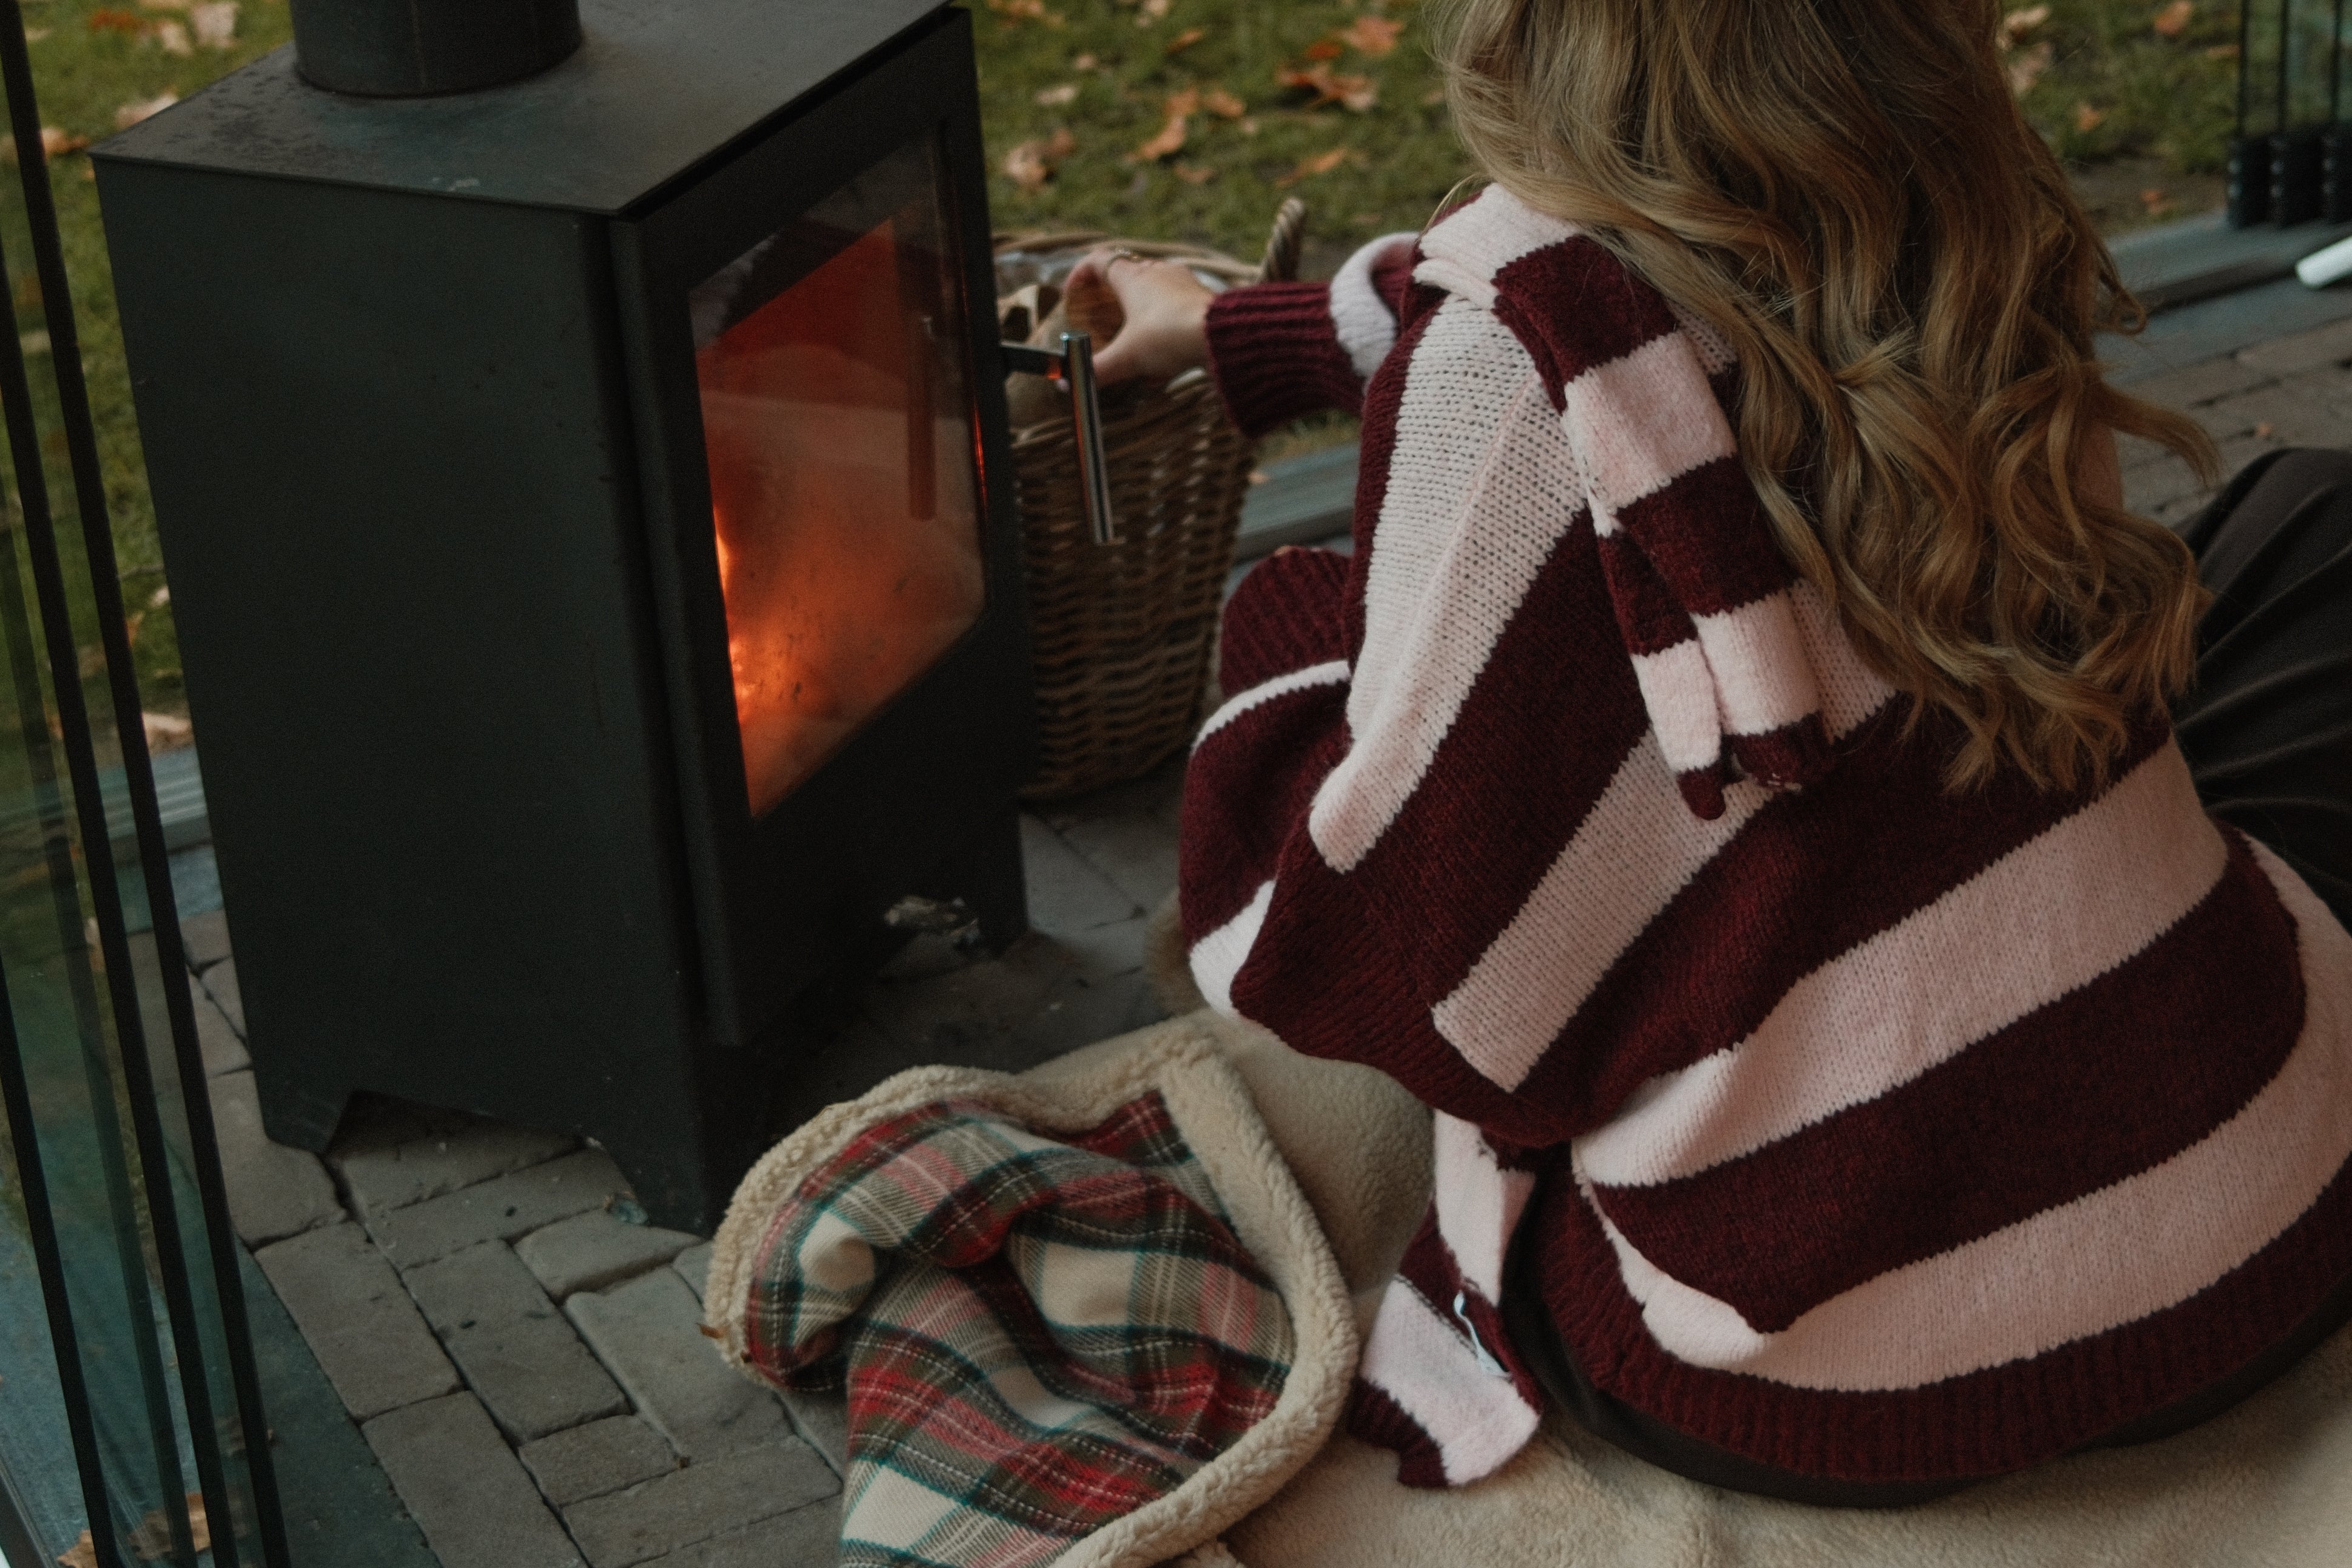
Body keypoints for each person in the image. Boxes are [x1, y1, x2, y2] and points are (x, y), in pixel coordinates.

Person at [1063, 0, 2352, 1509]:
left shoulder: (1499, 366)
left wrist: (1291, 629)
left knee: (1555, 886)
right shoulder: (1951, 180)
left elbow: (1401, 971)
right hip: (2274, 1222)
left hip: (1838, 1375)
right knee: (2315, 524)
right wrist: (1252, 338)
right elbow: (1637, 326)